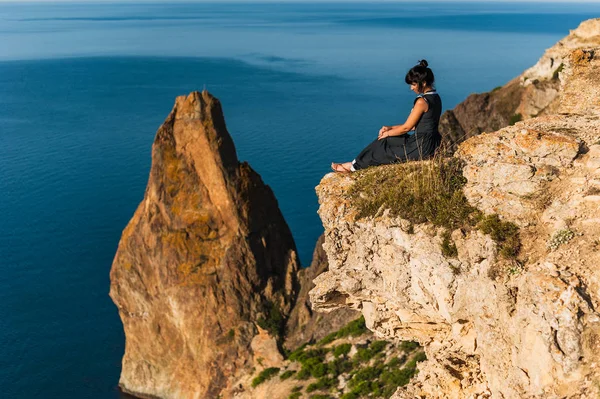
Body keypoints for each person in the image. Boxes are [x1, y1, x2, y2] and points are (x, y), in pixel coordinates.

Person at [331, 59, 442, 173]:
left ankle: (353, 167)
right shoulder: (435, 97)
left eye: (413, 84)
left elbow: (407, 128)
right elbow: (415, 126)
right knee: (387, 139)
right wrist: (390, 128)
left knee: (383, 144)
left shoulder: (421, 102)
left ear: (423, 83)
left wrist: (387, 133)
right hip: (431, 143)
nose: (411, 88)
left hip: (420, 147)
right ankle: (354, 164)